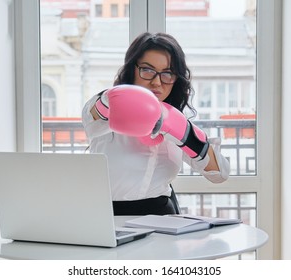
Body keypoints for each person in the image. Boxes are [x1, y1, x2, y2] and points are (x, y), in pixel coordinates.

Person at [82, 32, 230, 215]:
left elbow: (219, 174)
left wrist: (183, 133)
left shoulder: (174, 120)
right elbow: (94, 113)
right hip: (107, 216)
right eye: (147, 70)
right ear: (132, 70)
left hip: (162, 219)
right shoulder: (107, 107)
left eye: (167, 73)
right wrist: (118, 99)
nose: (157, 82)